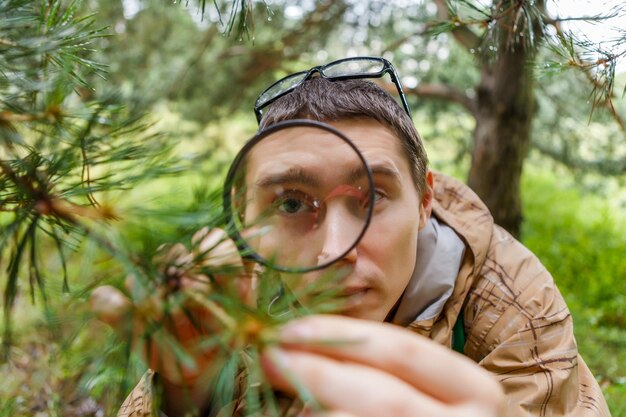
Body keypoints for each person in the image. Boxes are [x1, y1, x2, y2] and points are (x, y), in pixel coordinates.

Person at [93, 57, 610, 417]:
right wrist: (190, 398)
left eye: (372, 197)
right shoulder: (226, 304)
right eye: (292, 203)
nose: (333, 250)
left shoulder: (518, 311)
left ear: (426, 200)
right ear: (244, 218)